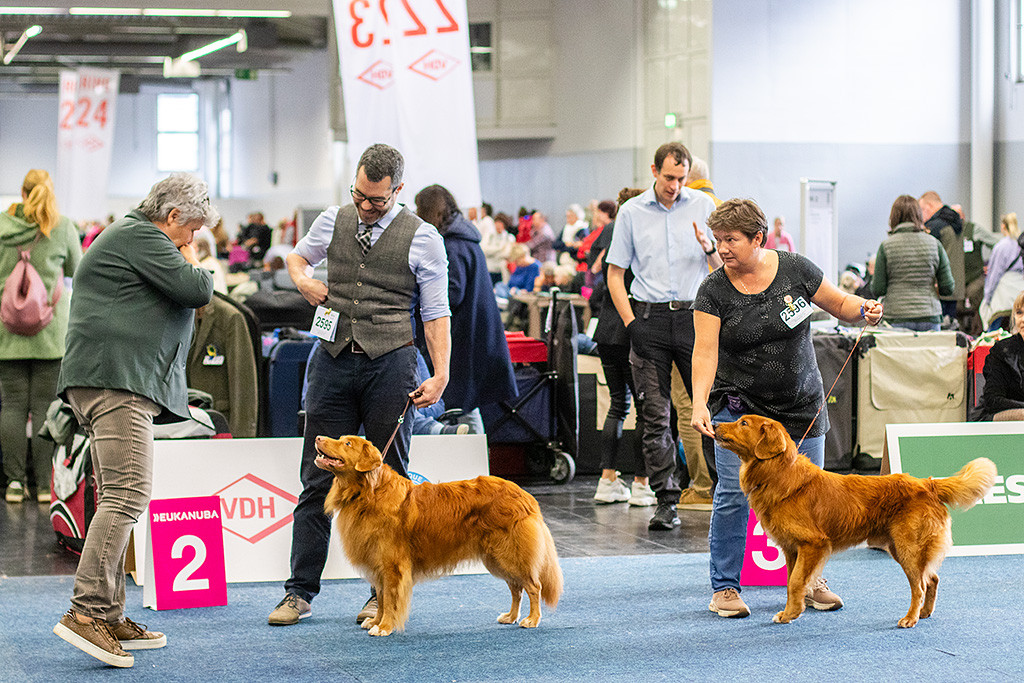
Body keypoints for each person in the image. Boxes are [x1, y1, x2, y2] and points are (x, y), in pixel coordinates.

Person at [268, 143, 451, 628]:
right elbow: (295, 258)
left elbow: (435, 313)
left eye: (377, 200)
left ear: (398, 191)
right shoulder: (332, 219)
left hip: (391, 363)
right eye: (360, 196)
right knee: (317, 477)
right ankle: (299, 592)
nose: (366, 207)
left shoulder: (425, 238)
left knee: (390, 479)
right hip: (330, 360)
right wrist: (304, 280)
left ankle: (380, 594)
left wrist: (440, 373)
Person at [52, 173, 217, 667]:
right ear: (171, 217)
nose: (191, 241)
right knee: (128, 494)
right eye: (190, 231)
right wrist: (194, 261)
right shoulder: (142, 235)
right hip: (114, 381)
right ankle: (85, 613)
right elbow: (197, 288)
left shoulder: (131, 236)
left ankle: (109, 612)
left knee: (120, 494)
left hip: (113, 379)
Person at [690, 198, 883, 619]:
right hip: (740, 413)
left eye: (732, 240)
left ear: (758, 238)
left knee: (810, 498)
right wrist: (700, 402)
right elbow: (704, 352)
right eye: (718, 239)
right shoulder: (712, 290)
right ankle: (725, 587)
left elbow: (842, 305)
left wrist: (864, 309)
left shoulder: (796, 269)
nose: (722, 248)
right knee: (731, 498)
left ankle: (809, 583)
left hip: (801, 407)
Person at [605, 141, 720, 530]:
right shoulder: (631, 212)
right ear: (654, 172)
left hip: (693, 318)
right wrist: (632, 324)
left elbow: (722, 268)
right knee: (655, 415)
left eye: (681, 178)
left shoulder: (703, 208)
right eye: (669, 177)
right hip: (649, 321)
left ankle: (722, 493)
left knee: (708, 409)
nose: (674, 185)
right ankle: (666, 500)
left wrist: (710, 251)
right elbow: (614, 275)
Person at [0, 169, 82, 504]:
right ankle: (46, 486)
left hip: (7, 331)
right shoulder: (61, 226)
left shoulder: (2, 226)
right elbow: (78, 270)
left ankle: (14, 483)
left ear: (21, 192)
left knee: (13, 407)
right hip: (50, 332)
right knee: (46, 407)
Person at [414, 184, 516, 435]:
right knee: (467, 407)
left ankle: (474, 464)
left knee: (462, 407)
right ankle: (475, 462)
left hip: (462, 339)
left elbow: (452, 293)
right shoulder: (466, 239)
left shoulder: (452, 245)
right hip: (474, 336)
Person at [590, 188, 656, 506]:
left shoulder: (607, 232)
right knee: (643, 408)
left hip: (605, 331)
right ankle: (642, 484)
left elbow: (597, 275)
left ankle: (607, 479)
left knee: (618, 404)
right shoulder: (639, 232)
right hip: (632, 331)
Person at [871, 194, 954, 331]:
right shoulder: (934, 244)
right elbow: (948, 287)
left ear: (893, 217)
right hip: (930, 316)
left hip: (896, 316)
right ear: (919, 215)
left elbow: (878, 289)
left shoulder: (886, 246)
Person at [919, 191, 965, 322]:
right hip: (955, 287)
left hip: (939, 288)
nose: (922, 215)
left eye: (922, 209)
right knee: (950, 327)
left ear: (928, 206)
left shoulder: (935, 226)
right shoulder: (957, 222)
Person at [979, 290, 1024, 421]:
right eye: (1019, 313)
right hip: (1002, 416)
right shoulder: (1001, 351)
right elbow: (992, 400)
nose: (1023, 319)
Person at [980, 212, 1024, 330]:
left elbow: (994, 273)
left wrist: (987, 297)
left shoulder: (1001, 246)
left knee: (993, 324)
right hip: (1020, 289)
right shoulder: (1020, 244)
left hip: (1003, 294)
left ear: (1003, 226)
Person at [481, 212, 515, 285]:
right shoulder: (489, 236)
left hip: (501, 271)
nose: (498, 226)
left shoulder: (509, 237)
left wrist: (492, 253)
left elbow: (506, 254)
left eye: (500, 223)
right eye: (496, 223)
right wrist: (499, 248)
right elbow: (484, 250)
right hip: (489, 269)